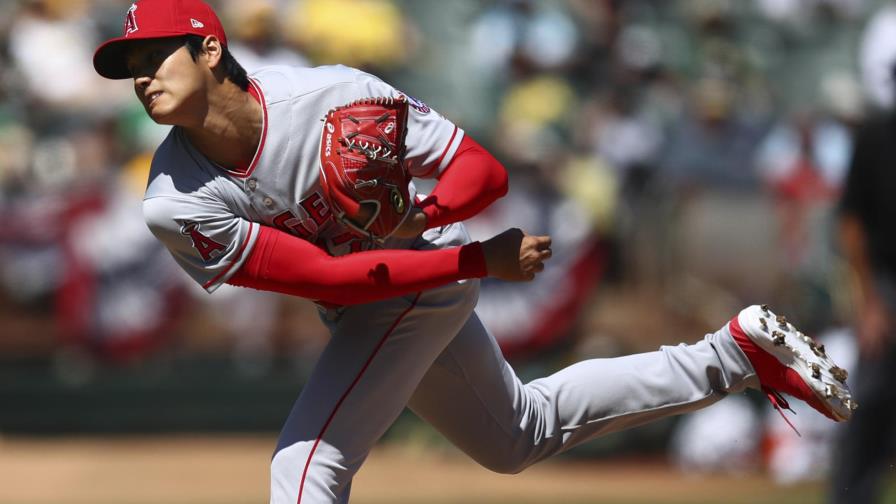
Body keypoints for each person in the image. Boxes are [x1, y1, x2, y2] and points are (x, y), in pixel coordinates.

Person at [92, 1, 856, 502]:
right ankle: (736, 353)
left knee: (304, 467)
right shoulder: (174, 199)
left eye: (153, 55)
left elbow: (480, 171)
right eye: (128, 67)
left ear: (210, 46)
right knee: (516, 435)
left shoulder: (331, 97)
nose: (140, 77)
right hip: (400, 281)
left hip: (419, 276)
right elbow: (327, 276)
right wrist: (470, 262)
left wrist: (421, 213)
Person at [829, 103, 896, 504]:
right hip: (887, 284)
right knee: (871, 399)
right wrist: (868, 303)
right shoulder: (877, 135)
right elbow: (852, 223)